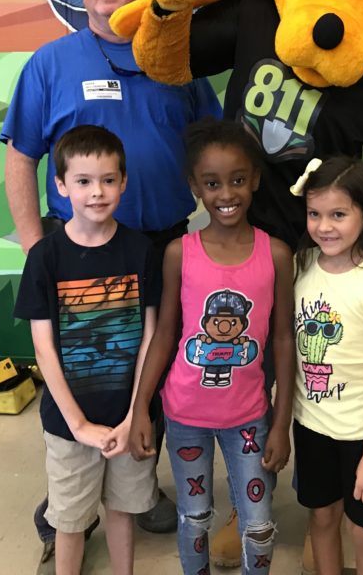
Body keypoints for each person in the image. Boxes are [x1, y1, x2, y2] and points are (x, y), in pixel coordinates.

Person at [0, 0, 220, 566]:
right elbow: (21, 157)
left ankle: (135, 484)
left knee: (152, 364)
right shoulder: (51, 64)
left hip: (163, 244)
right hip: (78, 250)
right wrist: (36, 246)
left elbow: (210, 145)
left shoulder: (175, 60)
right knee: (85, 368)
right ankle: (65, 506)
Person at [129, 117, 295, 575]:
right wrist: (142, 407)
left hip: (249, 419)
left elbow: (283, 340)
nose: (227, 194)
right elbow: (165, 334)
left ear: (255, 180)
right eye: (213, 183)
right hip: (184, 415)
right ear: (195, 187)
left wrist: (281, 424)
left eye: (238, 180)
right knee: (195, 518)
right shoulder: (179, 252)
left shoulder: (276, 254)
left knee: (258, 526)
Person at [14, 125, 161, 575]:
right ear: (60, 186)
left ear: (124, 182)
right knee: (71, 520)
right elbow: (43, 349)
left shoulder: (142, 251)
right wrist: (78, 425)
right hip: (67, 425)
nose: (97, 192)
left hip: (129, 419)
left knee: (123, 511)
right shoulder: (45, 257)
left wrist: (136, 415)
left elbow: (151, 340)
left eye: (108, 180)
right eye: (83, 181)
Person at [290, 157, 363, 575]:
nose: (325, 226)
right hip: (311, 426)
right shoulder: (300, 267)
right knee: (321, 519)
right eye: (315, 214)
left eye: (339, 214)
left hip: (361, 432)